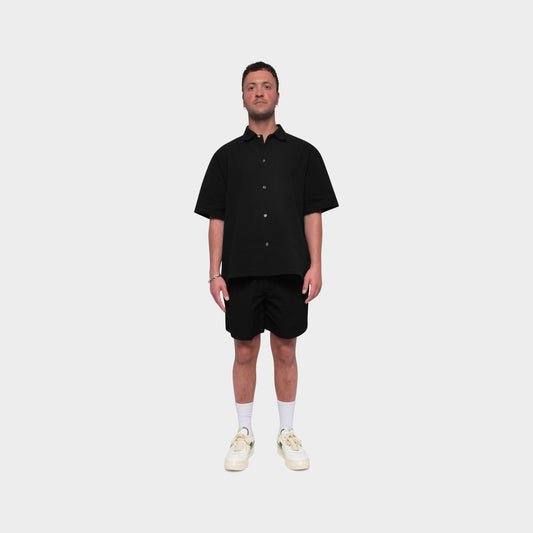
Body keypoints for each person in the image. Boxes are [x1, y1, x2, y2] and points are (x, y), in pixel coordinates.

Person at [194, 61, 338, 471]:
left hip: (290, 269)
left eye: (267, 85)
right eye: (251, 86)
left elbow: (313, 213)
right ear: (242, 97)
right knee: (244, 350)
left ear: (277, 94)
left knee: (286, 349)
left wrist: (316, 265)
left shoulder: (304, 154)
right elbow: (216, 217)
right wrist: (214, 272)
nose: (259, 92)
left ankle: (286, 431)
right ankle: (244, 431)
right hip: (240, 271)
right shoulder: (225, 157)